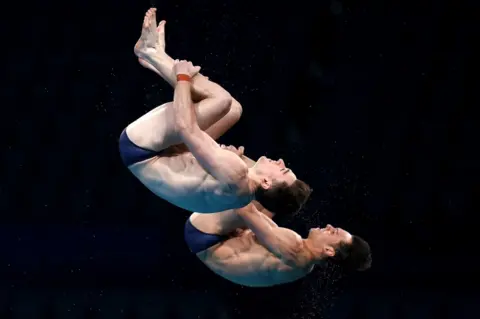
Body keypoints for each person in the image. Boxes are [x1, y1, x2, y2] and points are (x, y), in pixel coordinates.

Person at [119, 8, 312, 214]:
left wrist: (183, 78)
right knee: (233, 110)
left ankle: (151, 52)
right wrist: (217, 155)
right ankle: (155, 58)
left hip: (141, 148)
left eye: (283, 169)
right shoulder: (244, 193)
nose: (281, 161)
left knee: (220, 101)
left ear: (266, 182)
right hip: (168, 155)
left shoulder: (236, 174)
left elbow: (186, 127)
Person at [185, 193, 372, 287]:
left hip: (204, 235)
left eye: (334, 232)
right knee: (276, 193)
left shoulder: (294, 246)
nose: (330, 226)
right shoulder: (304, 266)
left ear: (329, 251)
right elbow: (260, 228)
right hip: (210, 246)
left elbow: (243, 209)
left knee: (259, 184)